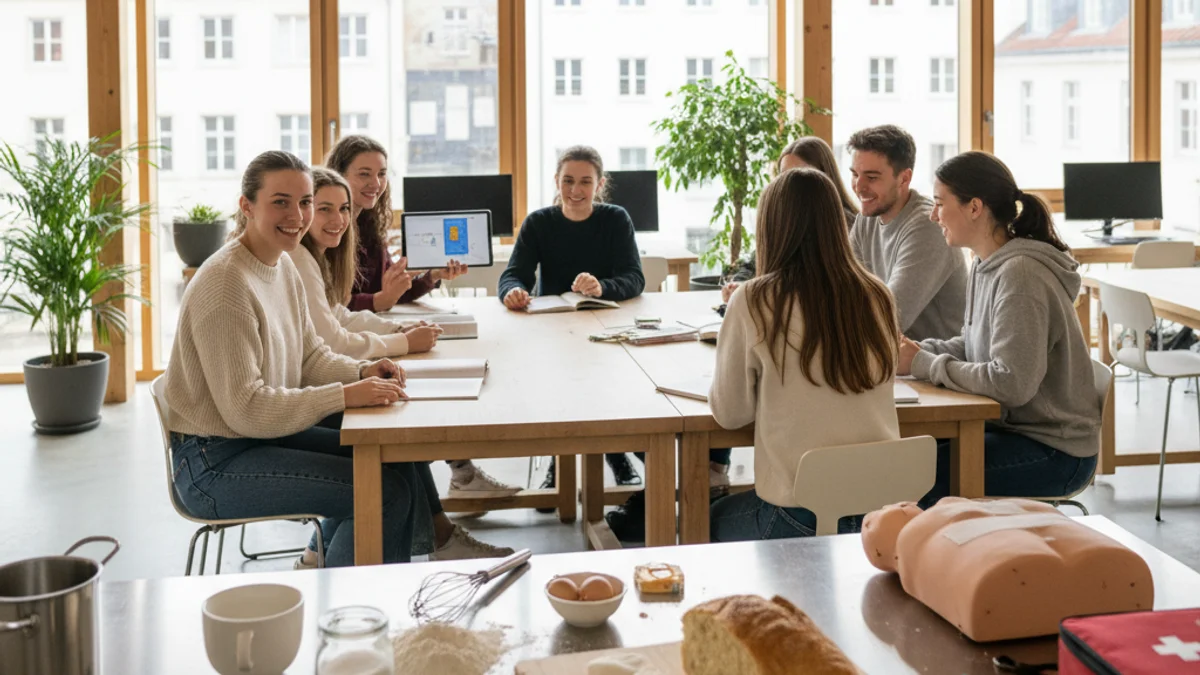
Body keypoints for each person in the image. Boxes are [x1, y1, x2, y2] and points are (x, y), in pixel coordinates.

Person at [166, 151, 511, 568]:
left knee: (394, 459)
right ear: (247, 206)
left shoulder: (282, 264)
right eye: (280, 202)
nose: (297, 216)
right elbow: (246, 410)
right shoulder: (227, 284)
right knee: (383, 493)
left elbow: (311, 355)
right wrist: (346, 394)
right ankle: (348, 602)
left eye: (304, 202)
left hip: (257, 439)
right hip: (213, 462)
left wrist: (362, 371)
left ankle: (338, 571)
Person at [287, 166, 521, 500]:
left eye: (381, 173)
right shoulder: (303, 257)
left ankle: (450, 501)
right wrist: (401, 339)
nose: (375, 183)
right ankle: (453, 495)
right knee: (405, 414)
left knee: (410, 398)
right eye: (325, 208)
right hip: (315, 385)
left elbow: (339, 314)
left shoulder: (334, 247)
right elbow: (338, 330)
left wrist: (400, 328)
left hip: (342, 359)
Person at [708, 167, 901, 541]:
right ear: (836, 223)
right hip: (879, 517)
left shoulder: (754, 299)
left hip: (796, 518)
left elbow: (730, 414)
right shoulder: (878, 294)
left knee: (707, 515)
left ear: (771, 228)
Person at [898, 151, 1099, 501]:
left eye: (940, 203)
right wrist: (917, 351)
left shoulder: (1020, 275)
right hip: (1013, 430)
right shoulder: (985, 263)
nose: (933, 215)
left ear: (975, 207)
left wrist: (923, 364)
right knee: (905, 456)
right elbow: (972, 344)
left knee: (915, 476)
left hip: (1054, 451)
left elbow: (1010, 383)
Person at [499, 145, 647, 494]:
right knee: (561, 391)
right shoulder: (539, 222)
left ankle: (616, 454)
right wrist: (513, 291)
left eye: (585, 182)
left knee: (609, 388)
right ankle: (559, 464)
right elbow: (513, 274)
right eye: (568, 181)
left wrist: (603, 287)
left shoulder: (615, 219)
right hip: (554, 329)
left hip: (607, 327)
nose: (575, 190)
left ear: (600, 184)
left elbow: (634, 278)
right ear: (556, 181)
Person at [847, 125, 968, 341]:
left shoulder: (928, 226)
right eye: (855, 174)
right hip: (892, 355)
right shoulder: (866, 219)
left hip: (935, 360)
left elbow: (887, 318)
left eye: (872, 177)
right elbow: (845, 292)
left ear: (904, 178)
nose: (859, 186)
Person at [324, 135, 468, 313]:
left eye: (381, 174)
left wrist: (433, 275)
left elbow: (395, 292)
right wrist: (381, 300)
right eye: (364, 174)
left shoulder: (369, 227)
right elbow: (331, 304)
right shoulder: (327, 230)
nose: (376, 183)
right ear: (338, 175)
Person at [721, 136, 860, 303]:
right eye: (784, 175)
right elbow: (754, 261)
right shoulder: (782, 220)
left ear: (825, 176)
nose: (791, 183)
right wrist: (740, 285)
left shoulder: (850, 226)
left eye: (803, 174)